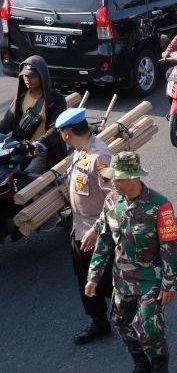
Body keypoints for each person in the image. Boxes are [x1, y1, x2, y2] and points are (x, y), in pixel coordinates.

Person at [85, 151, 177, 373]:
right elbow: (104, 241)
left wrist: (169, 283)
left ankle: (159, 363)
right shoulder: (111, 202)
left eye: (117, 178)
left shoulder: (160, 205)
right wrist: (93, 277)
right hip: (122, 279)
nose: (112, 183)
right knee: (121, 322)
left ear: (133, 177)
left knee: (148, 327)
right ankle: (140, 364)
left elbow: (169, 247)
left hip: (150, 279)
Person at [57, 108, 113, 345]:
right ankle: (99, 322)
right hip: (79, 230)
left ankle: (139, 320)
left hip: (98, 233)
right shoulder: (80, 151)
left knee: (110, 281)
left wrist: (96, 229)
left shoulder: (99, 157)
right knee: (85, 280)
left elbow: (115, 199)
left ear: (66, 133)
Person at [0, 56, 67, 183]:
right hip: (21, 149)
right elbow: (6, 124)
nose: (27, 79)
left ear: (42, 76)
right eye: (25, 76)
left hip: (43, 152)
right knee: (6, 175)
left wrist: (41, 143)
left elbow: (57, 128)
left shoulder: (56, 99)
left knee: (26, 180)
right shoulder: (21, 97)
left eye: (32, 76)